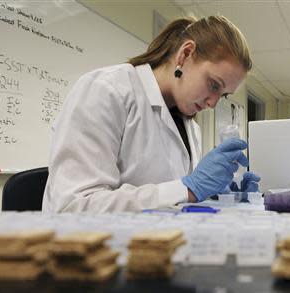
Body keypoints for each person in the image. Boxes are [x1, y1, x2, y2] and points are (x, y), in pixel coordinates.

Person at [42, 16, 261, 213]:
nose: (213, 104)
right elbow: (74, 206)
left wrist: (219, 193)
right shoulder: (106, 89)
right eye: (214, 85)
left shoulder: (190, 126)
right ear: (185, 55)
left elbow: (176, 198)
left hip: (154, 245)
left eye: (222, 95)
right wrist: (189, 189)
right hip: (90, 251)